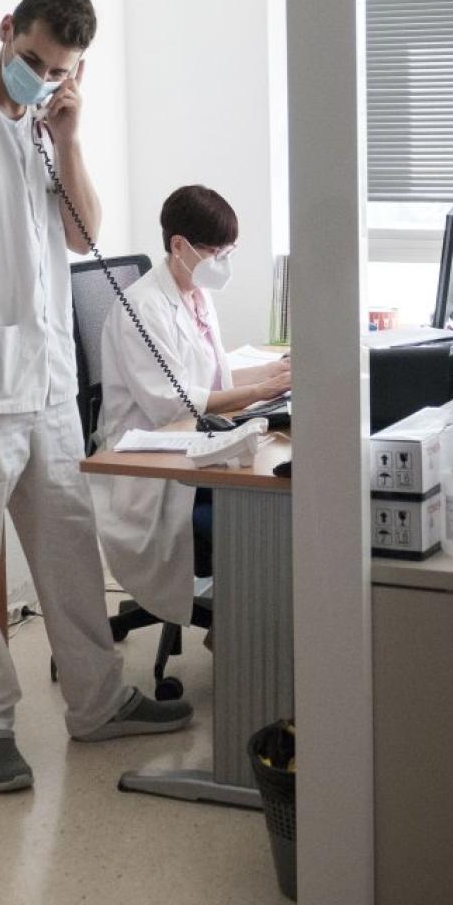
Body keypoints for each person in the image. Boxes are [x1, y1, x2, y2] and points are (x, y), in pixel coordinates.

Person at [0, 0, 190, 795]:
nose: (42, 78)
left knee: (66, 548)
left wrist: (68, 138)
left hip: (51, 384)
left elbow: (85, 235)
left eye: (61, 70)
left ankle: (97, 701)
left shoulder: (42, 129)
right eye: (32, 60)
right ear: (5, 31)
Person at [94, 186, 293, 625]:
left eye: (229, 251)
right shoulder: (142, 308)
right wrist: (260, 392)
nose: (222, 261)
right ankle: (241, 634)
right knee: (268, 513)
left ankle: (244, 629)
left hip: (196, 445)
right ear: (178, 245)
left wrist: (272, 377)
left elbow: (212, 379)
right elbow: (175, 405)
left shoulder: (196, 295)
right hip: (156, 465)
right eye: (214, 250)